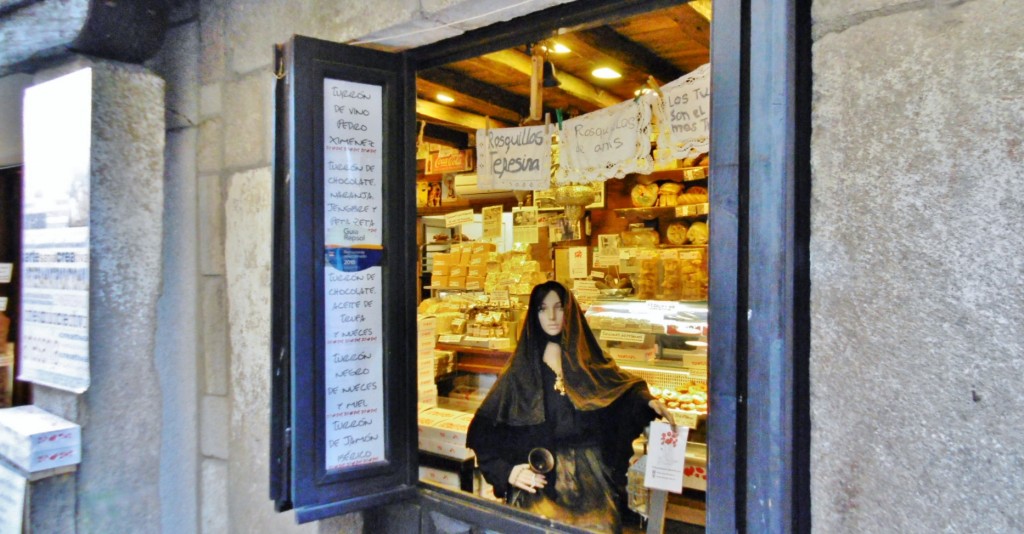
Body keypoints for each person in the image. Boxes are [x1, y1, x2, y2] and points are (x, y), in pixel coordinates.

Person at [466, 281, 674, 533]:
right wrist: (508, 472)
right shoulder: (520, 371)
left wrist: (647, 400)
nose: (552, 317)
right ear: (534, 314)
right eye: (543, 309)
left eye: (559, 307)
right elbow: (483, 431)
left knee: (601, 527)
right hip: (542, 480)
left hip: (591, 479)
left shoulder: (588, 361)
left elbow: (620, 388)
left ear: (571, 312)